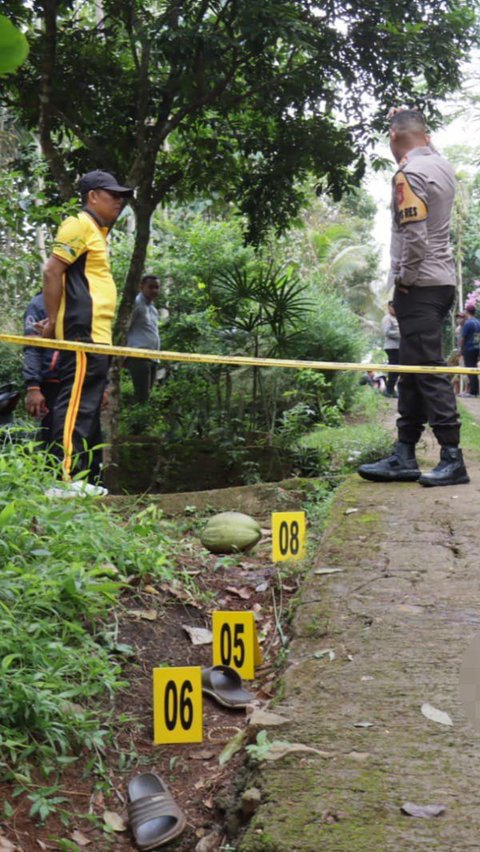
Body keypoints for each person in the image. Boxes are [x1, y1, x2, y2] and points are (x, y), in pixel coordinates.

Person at [358, 108, 469, 487]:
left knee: (427, 370)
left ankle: (452, 458)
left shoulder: (409, 174)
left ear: (392, 136)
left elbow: (415, 237)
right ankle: (404, 453)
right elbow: (424, 141)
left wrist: (403, 279)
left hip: (419, 285)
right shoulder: (440, 165)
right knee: (411, 369)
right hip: (438, 284)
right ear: (426, 134)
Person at [41, 169, 134, 491]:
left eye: (121, 197)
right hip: (82, 332)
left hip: (97, 336)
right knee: (73, 406)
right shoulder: (79, 224)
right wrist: (53, 322)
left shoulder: (98, 231)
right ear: (93, 196)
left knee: (88, 409)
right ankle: (65, 480)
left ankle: (82, 478)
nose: (119, 202)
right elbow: (52, 271)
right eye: (113, 195)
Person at [23, 291, 60, 447]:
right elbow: (32, 347)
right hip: (52, 381)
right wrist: (33, 387)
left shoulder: (81, 301)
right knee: (53, 437)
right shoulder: (38, 304)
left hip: (81, 379)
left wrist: (104, 385)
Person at [126, 275, 161, 403]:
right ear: (141, 287)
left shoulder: (153, 309)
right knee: (142, 395)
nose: (154, 290)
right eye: (151, 287)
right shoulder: (136, 303)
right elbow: (125, 326)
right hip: (139, 355)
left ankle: (142, 420)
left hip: (153, 357)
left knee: (147, 395)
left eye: (157, 287)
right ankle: (138, 421)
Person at [460, 305, 480, 397]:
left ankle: (472, 392)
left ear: (467, 312)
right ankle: (474, 391)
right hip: (476, 348)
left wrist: (461, 349)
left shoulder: (467, 323)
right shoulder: (478, 322)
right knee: (474, 369)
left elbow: (463, 338)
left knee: (469, 369)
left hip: (468, 349)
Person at [381, 301, 400, 397]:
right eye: (392, 307)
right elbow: (386, 332)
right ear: (389, 308)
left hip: (399, 347)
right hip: (392, 347)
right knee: (393, 368)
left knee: (398, 369)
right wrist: (400, 334)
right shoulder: (387, 318)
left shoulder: (398, 318)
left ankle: (391, 389)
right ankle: (389, 390)